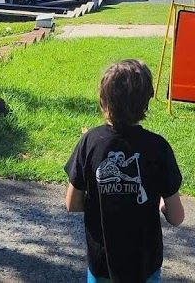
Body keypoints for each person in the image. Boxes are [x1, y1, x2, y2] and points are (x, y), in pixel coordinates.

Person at [65, 59, 184, 283]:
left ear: (103, 100)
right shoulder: (158, 148)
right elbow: (177, 217)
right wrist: (160, 205)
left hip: (102, 265)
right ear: (146, 102)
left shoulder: (90, 142)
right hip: (144, 265)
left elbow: (72, 203)